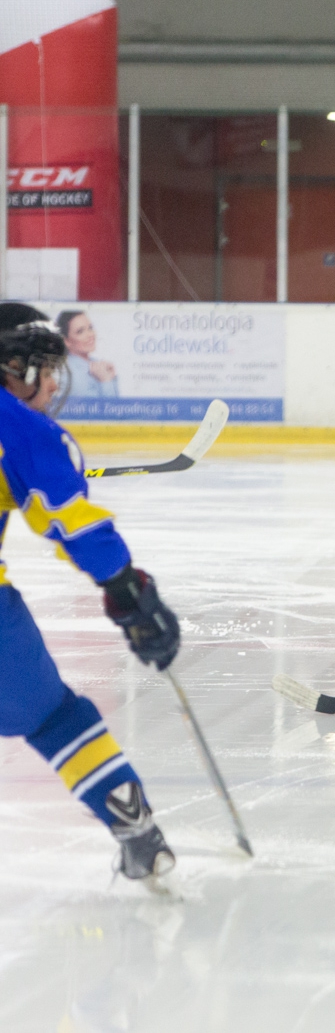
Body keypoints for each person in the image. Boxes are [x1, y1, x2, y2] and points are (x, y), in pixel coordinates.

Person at [0, 323, 182, 884]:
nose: (53, 385)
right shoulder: (21, 426)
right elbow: (67, 517)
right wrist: (126, 587)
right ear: (17, 370)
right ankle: (136, 830)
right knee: (54, 720)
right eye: (47, 372)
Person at [56, 310, 119, 398]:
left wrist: (112, 378)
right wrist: (106, 381)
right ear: (66, 341)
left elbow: (118, 407)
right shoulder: (69, 374)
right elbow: (100, 410)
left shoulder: (97, 364)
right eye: (80, 331)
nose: (90, 334)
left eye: (90, 328)